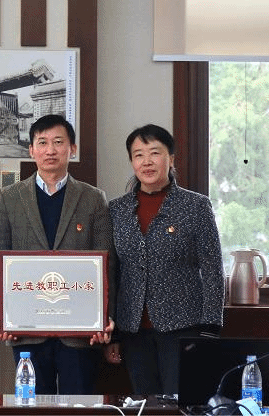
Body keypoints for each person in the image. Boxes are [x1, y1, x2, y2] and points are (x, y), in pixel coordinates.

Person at [0, 114, 115, 395]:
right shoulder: (9, 197)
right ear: (31, 150)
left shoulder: (94, 198)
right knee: (32, 405)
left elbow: (108, 265)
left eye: (58, 142)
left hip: (80, 330)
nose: (50, 150)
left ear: (72, 148)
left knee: (79, 405)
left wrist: (105, 316)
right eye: (42, 142)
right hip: (26, 328)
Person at [104, 124, 224, 396]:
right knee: (144, 404)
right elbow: (113, 273)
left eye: (155, 153)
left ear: (170, 159)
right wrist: (114, 333)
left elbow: (213, 269)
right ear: (132, 162)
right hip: (133, 329)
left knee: (180, 403)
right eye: (138, 155)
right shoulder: (117, 209)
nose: (146, 161)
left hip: (183, 328)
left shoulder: (196, 206)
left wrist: (210, 327)